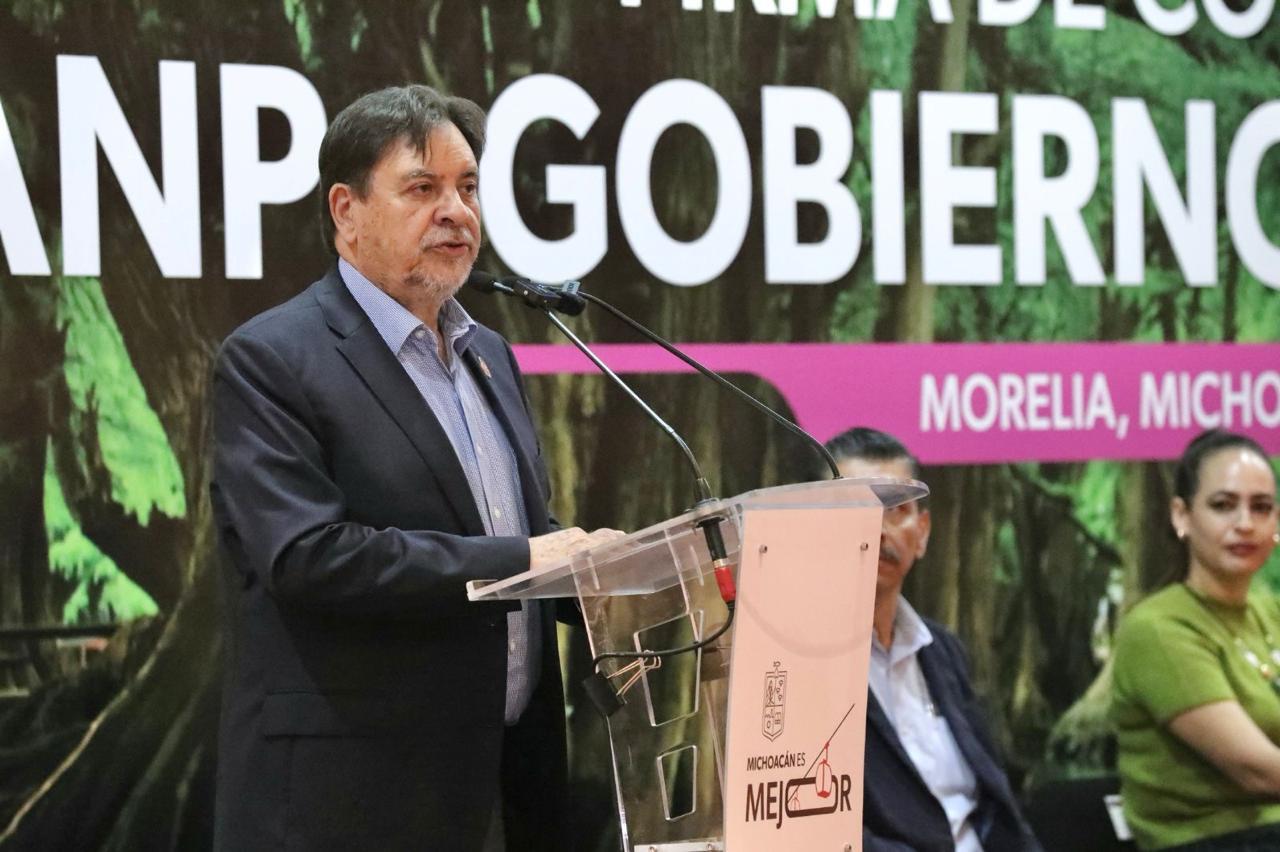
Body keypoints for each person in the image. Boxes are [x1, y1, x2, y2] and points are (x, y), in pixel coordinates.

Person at [210, 84, 616, 852]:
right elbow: (309, 557)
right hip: (356, 799)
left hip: (504, 788)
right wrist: (529, 560)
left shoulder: (489, 355)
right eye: (423, 189)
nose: (456, 211)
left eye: (468, 188)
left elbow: (508, 530)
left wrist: (608, 573)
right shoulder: (272, 360)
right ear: (347, 211)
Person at [826, 427, 1042, 852]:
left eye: (896, 509)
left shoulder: (941, 648)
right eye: (856, 506)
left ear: (922, 532)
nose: (878, 528)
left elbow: (993, 804)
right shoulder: (796, 662)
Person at [1111, 429, 1280, 851]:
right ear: (1182, 516)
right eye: (1223, 505)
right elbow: (1257, 770)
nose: (1245, 524)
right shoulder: (1158, 628)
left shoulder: (1270, 612)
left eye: (1261, 507)